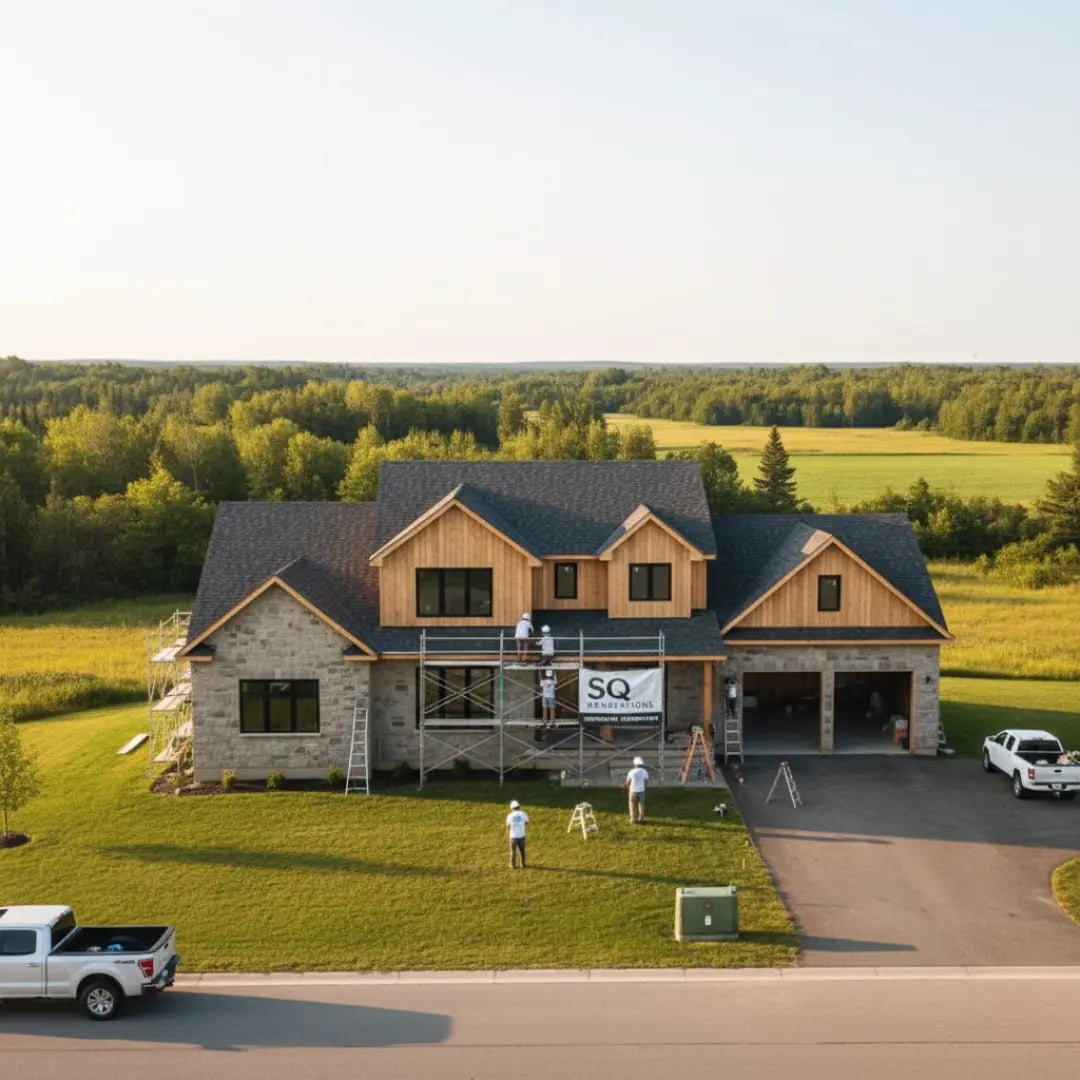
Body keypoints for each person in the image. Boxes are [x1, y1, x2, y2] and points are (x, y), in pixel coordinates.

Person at [624, 756, 648, 824]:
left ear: (634, 764)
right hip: (641, 790)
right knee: (641, 804)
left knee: (632, 804)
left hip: (633, 790)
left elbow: (628, 782)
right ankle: (641, 818)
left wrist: (626, 785)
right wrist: (644, 787)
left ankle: (633, 819)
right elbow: (646, 781)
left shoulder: (631, 772)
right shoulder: (644, 771)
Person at [506, 799, 529, 868]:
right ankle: (523, 864)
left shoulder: (510, 815)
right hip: (522, 835)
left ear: (512, 808)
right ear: (519, 806)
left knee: (513, 851)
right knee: (522, 851)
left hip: (513, 836)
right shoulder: (523, 814)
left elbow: (508, 825)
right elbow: (527, 822)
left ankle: (512, 865)